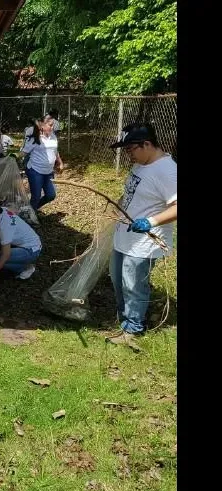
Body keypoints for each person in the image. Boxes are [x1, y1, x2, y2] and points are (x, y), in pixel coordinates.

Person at [108, 123, 177, 338]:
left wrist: (150, 221)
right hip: (124, 236)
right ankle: (124, 317)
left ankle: (133, 327)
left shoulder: (167, 170)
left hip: (144, 242)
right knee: (117, 279)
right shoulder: (141, 164)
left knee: (133, 285)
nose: (129, 156)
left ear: (146, 144)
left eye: (130, 150)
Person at [20, 118, 64, 211]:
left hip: (48, 172)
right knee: (36, 196)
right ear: (42, 126)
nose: (53, 128)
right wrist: (13, 156)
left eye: (53, 125)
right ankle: (31, 217)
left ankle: (31, 209)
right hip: (35, 171)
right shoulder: (34, 139)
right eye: (50, 125)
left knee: (51, 195)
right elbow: (23, 152)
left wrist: (60, 162)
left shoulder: (53, 137)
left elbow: (55, 151)